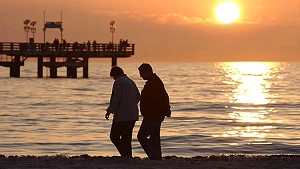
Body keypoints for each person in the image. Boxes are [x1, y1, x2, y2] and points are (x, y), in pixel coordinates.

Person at [137, 63, 171, 160]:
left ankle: (154, 156)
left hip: (153, 115)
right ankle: (157, 158)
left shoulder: (154, 83)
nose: (140, 76)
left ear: (147, 71)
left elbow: (161, 99)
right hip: (155, 114)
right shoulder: (154, 81)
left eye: (141, 73)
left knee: (141, 136)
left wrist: (162, 111)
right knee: (154, 137)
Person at [106, 66, 141, 158]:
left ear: (115, 75)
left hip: (122, 116)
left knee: (114, 136)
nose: (113, 79)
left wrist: (110, 110)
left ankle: (125, 154)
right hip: (133, 114)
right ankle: (128, 155)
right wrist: (130, 105)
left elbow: (115, 98)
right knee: (127, 137)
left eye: (113, 77)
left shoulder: (118, 82)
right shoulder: (130, 81)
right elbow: (138, 97)